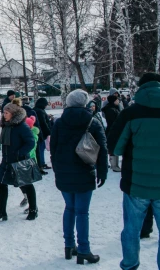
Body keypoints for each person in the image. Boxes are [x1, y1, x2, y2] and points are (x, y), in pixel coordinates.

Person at [107, 73, 160, 270]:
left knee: (131, 230)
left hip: (136, 183)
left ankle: (130, 265)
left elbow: (114, 146)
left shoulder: (131, 113)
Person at [50, 89, 107, 265]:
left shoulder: (59, 122)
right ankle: (84, 250)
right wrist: (102, 171)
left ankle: (69, 246)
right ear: (84, 102)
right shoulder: (92, 121)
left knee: (69, 208)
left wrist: (57, 169)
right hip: (84, 170)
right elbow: (102, 149)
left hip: (64, 173)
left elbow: (53, 147)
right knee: (82, 212)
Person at [0, 101, 37, 221]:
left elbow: (30, 142)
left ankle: (33, 209)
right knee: (1, 183)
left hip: (20, 161)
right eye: (3, 112)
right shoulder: (6, 125)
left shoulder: (22, 126)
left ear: (13, 113)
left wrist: (20, 153)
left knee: (26, 184)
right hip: (6, 160)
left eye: (6, 113)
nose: (4, 115)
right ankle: (1, 211)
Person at [102, 94, 122, 172]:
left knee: (114, 147)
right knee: (112, 147)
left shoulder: (114, 108)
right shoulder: (111, 110)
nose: (118, 101)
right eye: (117, 100)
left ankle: (115, 164)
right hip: (112, 131)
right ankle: (114, 165)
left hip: (114, 130)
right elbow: (114, 121)